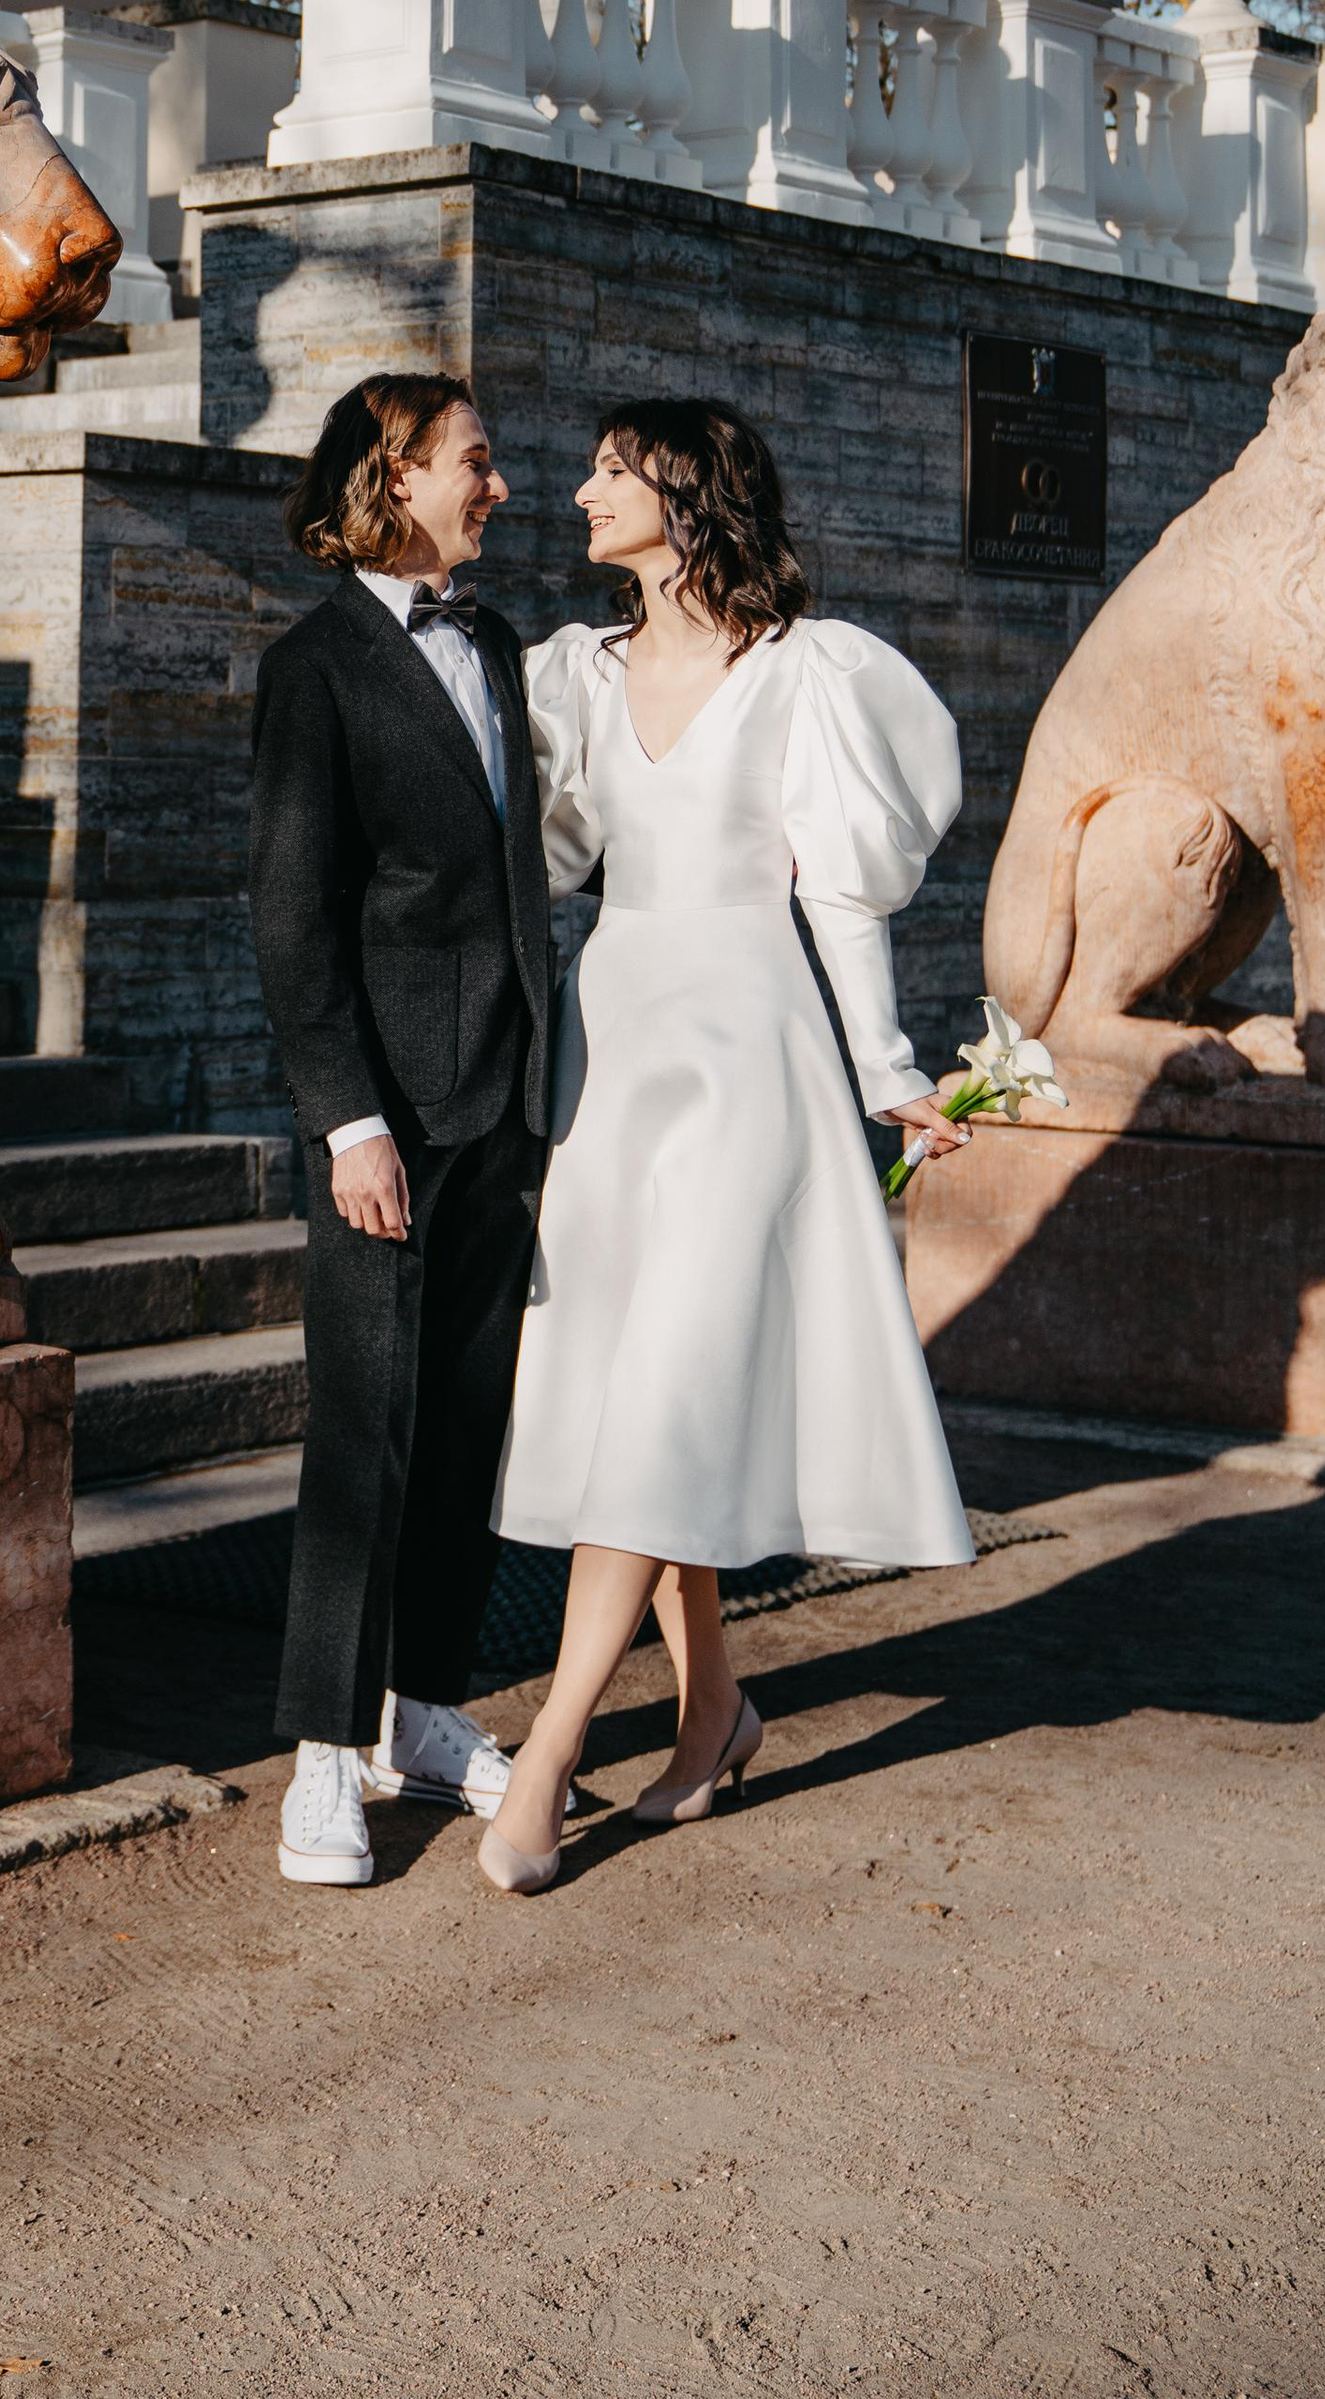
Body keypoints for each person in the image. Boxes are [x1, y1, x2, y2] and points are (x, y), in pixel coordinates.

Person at [481, 397, 974, 1899]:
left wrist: (886, 1069)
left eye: (611, 473)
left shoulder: (804, 673)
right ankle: (712, 1717)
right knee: (652, 1395)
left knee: (673, 1385)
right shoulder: (578, 670)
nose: (576, 494)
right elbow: (547, 861)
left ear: (685, 494)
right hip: (614, 1049)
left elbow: (839, 896)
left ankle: (553, 1749)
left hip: (748, 1053)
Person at [249, 374, 555, 1888]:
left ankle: (422, 1711)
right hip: (386, 1116)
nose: (501, 483)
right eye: (475, 461)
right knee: (362, 1429)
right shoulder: (314, 669)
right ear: (398, 475)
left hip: (506, 1104)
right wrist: (348, 1123)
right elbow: (295, 922)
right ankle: (321, 1755)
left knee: (468, 1424)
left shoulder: (494, 643)